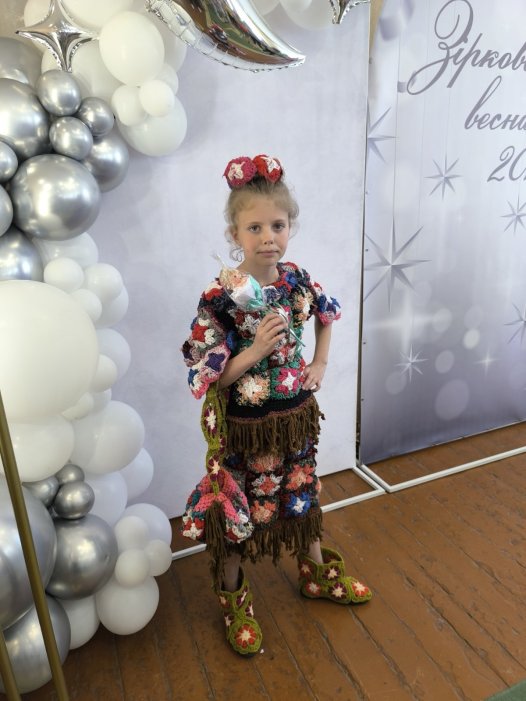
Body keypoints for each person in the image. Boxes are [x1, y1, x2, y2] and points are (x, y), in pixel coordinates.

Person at [182, 154, 371, 656]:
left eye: (278, 226)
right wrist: (254, 351)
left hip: (295, 418)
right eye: (255, 227)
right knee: (238, 510)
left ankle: (315, 573)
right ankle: (233, 596)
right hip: (245, 429)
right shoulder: (220, 295)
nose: (269, 237)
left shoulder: (296, 279)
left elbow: (327, 314)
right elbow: (208, 375)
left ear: (290, 228)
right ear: (235, 233)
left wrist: (321, 362)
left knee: (301, 493)